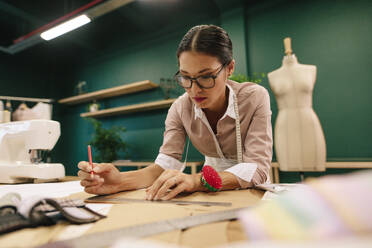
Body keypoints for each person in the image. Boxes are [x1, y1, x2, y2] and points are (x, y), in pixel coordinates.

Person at [78, 25, 273, 200]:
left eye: (206, 77)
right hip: (211, 194)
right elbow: (163, 166)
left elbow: (257, 168)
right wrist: (119, 181)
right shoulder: (180, 108)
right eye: (185, 77)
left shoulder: (254, 97)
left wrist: (196, 181)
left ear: (229, 68)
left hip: (251, 193)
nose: (194, 90)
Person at [267, 40, 326, 173]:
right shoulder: (273, 75)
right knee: (288, 163)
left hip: (308, 121)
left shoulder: (310, 70)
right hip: (285, 124)